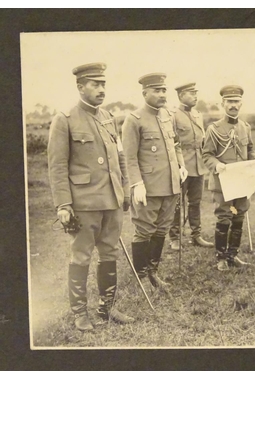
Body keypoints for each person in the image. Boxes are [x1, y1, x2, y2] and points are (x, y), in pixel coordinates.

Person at [47, 63, 134, 331]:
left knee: (110, 252)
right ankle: (80, 313)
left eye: (103, 84)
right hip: (84, 203)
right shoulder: (65, 119)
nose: (101, 89)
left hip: (112, 200)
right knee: (82, 255)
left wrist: (126, 188)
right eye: (95, 84)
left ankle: (107, 308)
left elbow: (120, 157)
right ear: (80, 87)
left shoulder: (109, 117)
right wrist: (64, 204)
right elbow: (57, 166)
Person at [121, 73, 188, 291]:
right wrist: (136, 183)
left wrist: (181, 165)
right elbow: (129, 157)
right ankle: (142, 277)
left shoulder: (168, 116)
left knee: (162, 229)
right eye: (156, 91)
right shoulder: (134, 119)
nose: (161, 94)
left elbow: (176, 144)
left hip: (170, 185)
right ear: (145, 93)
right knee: (144, 230)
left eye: (163, 90)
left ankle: (153, 272)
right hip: (147, 187)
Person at [202, 85, 255, 271]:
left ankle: (233, 255)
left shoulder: (245, 127)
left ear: (241, 103)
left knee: (238, 215)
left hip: (241, 183)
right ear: (222, 104)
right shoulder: (214, 129)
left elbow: (249, 149)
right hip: (223, 183)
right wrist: (217, 165)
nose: (233, 105)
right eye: (229, 102)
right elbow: (207, 155)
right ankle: (221, 257)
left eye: (236, 101)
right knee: (225, 217)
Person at [168, 83, 213, 250]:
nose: (195, 96)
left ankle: (196, 235)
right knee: (177, 203)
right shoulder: (173, 115)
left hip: (198, 164)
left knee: (195, 202)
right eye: (191, 93)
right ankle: (175, 238)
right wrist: (178, 165)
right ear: (180, 96)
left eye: (196, 93)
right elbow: (172, 142)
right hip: (182, 165)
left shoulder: (197, 115)